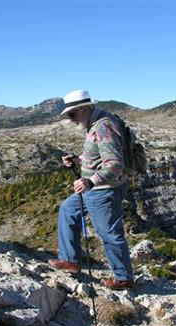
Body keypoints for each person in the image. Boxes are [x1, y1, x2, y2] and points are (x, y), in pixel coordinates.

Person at [48, 89, 134, 290]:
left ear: (85, 109)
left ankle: (124, 278)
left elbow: (114, 165)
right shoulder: (95, 123)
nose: (70, 119)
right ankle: (70, 261)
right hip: (95, 188)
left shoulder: (104, 126)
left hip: (104, 189)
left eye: (72, 114)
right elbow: (99, 157)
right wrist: (78, 161)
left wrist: (90, 182)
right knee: (68, 210)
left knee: (109, 233)